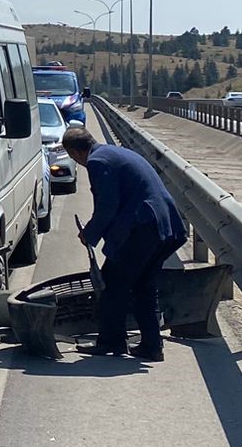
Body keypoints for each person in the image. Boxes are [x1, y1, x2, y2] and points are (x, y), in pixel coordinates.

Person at [65, 124, 189, 360]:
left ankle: (111, 342)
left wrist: (89, 235)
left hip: (145, 227)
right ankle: (152, 346)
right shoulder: (114, 153)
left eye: (73, 157)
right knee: (144, 286)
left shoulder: (97, 162)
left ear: (76, 153)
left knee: (112, 282)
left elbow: (107, 206)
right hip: (165, 225)